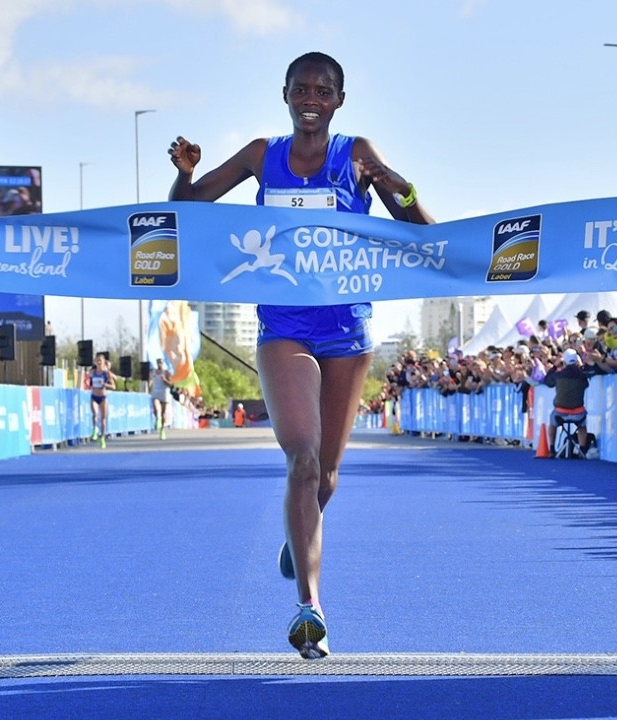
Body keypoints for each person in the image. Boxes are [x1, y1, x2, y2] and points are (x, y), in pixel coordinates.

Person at [167, 51, 434, 659]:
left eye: (323, 90)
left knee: (328, 476)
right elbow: (187, 209)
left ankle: (299, 534)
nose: (311, 98)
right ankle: (309, 608)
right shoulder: (262, 155)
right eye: (301, 89)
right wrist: (186, 174)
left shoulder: (356, 154)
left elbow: (421, 231)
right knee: (303, 461)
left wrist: (401, 188)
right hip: (284, 327)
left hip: (347, 331)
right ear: (285, 95)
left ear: (339, 100)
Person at [543, 349, 593, 458]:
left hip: (560, 413)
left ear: (564, 362)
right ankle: (582, 450)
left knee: (552, 423)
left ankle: (552, 449)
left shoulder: (558, 375)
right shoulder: (582, 376)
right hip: (578, 413)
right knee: (582, 426)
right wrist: (580, 367)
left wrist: (554, 367)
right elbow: (586, 384)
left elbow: (547, 382)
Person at [86, 352, 116, 448]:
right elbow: (87, 377)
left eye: (100, 360)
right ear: (95, 361)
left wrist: (104, 384)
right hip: (94, 396)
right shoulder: (93, 372)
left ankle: (102, 437)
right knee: (95, 414)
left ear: (104, 362)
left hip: (103, 397)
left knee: (103, 419)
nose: (99, 362)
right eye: (97, 360)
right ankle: (95, 430)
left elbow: (113, 386)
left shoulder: (106, 373)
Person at [150, 357, 172, 440]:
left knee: (163, 412)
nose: (160, 364)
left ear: (163, 363)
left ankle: (162, 429)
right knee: (155, 407)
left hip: (164, 392)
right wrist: (150, 385)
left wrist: (165, 380)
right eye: (158, 362)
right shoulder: (153, 372)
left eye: (161, 362)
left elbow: (171, 384)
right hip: (156, 391)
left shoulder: (166, 372)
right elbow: (151, 380)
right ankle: (157, 419)